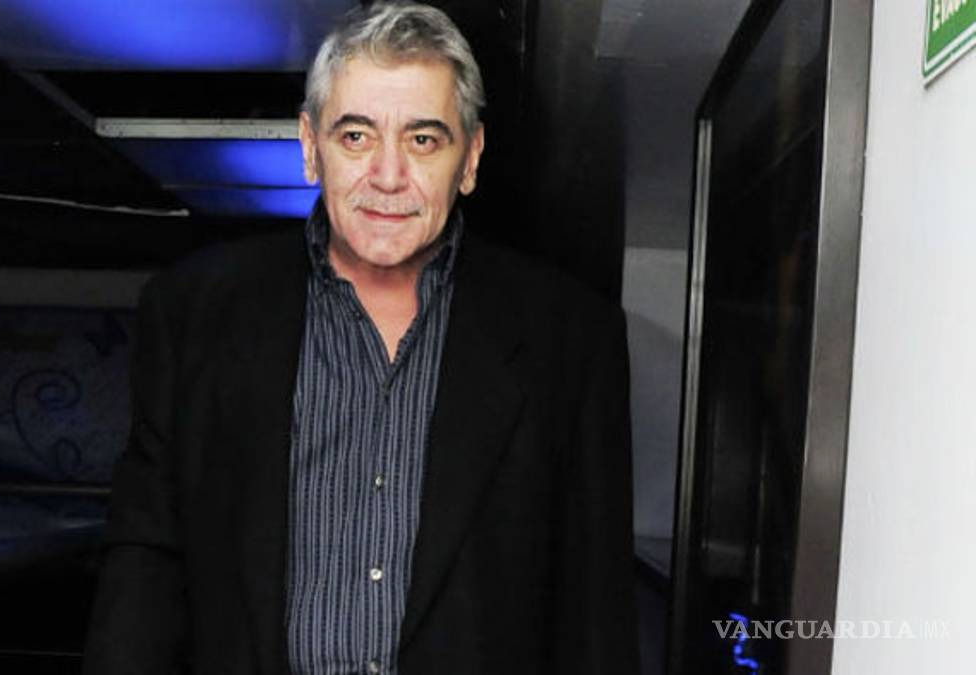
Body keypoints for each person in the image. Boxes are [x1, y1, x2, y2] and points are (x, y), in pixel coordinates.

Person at [82, 2, 638, 673]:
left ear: (470, 158)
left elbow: (596, 618)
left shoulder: (572, 340)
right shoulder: (193, 313)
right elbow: (144, 568)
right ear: (310, 146)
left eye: (423, 140)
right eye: (355, 136)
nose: (388, 176)